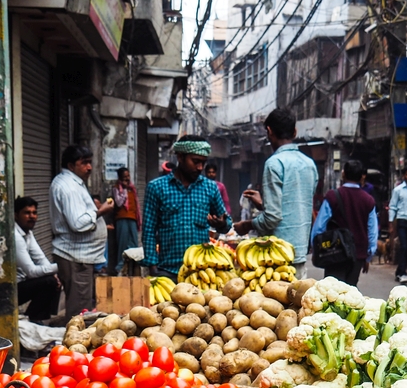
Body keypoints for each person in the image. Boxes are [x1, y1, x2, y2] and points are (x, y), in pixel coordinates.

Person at [232, 108, 319, 279]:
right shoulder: (309, 164)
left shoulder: (274, 163)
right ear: (295, 131)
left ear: (269, 132)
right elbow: (295, 204)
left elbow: (273, 218)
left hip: (276, 256)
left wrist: (247, 225)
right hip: (299, 252)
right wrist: (263, 204)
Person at [141, 135, 231, 280]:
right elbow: (148, 230)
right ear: (180, 157)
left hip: (201, 271)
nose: (200, 167)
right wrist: (153, 268)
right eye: (195, 162)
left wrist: (222, 224)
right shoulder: (156, 187)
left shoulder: (210, 188)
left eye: (203, 162)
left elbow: (227, 223)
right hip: (167, 271)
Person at [49, 144, 114, 318]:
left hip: (79, 256)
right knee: (79, 310)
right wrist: (101, 211)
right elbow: (78, 223)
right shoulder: (68, 187)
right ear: (71, 166)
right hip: (75, 257)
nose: (90, 167)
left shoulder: (74, 183)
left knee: (81, 304)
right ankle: (75, 343)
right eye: (84, 163)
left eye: (90, 162)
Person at [309, 158, 378, 286]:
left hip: (334, 252)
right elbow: (372, 232)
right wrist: (368, 256)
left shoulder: (332, 196)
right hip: (358, 254)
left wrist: (316, 249)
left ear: (343, 174)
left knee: (332, 293)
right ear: (361, 177)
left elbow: (319, 227)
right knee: (350, 294)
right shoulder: (368, 200)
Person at [13, 196, 61, 323]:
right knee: (49, 282)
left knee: (53, 280)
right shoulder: (15, 236)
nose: (32, 216)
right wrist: (60, 266)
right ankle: (34, 320)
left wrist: (54, 272)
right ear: (16, 215)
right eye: (27, 213)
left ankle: (39, 319)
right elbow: (31, 271)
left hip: (22, 283)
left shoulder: (28, 232)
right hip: (9, 289)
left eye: (34, 213)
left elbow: (40, 258)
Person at [110, 167, 141, 276]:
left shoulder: (132, 188)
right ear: (120, 178)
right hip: (121, 219)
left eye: (128, 176)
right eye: (125, 177)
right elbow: (118, 203)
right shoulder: (116, 188)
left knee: (133, 244)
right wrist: (123, 190)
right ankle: (120, 268)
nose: (127, 178)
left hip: (132, 218)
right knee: (122, 244)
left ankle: (133, 268)